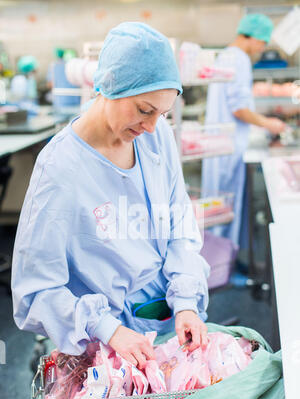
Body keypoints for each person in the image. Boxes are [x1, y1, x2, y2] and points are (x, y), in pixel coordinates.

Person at [11, 22, 210, 370]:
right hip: (103, 344)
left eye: (161, 114)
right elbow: (36, 289)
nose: (150, 126)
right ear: (110, 86)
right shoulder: (60, 169)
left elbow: (180, 225)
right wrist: (109, 329)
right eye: (144, 110)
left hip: (166, 321)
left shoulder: (155, 137)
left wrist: (186, 302)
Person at [201, 14, 286, 249]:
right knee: (226, 209)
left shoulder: (225, 56)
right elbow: (239, 109)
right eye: (263, 42)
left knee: (218, 208)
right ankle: (223, 267)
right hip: (228, 146)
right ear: (253, 37)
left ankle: (219, 261)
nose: (262, 48)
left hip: (218, 144)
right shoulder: (239, 60)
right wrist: (269, 123)